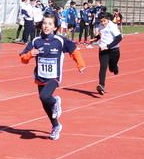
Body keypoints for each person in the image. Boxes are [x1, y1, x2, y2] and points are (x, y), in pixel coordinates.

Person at [20, 12, 86, 140]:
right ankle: (56, 125)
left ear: (55, 27)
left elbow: (74, 51)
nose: (46, 26)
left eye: (50, 24)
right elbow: (23, 59)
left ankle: (56, 101)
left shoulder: (60, 41)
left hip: (54, 77)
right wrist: (29, 54)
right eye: (44, 23)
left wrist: (80, 64)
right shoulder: (35, 41)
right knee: (44, 103)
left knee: (45, 96)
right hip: (40, 77)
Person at [93, 11, 122, 95]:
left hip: (113, 50)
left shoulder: (112, 26)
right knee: (103, 67)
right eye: (101, 21)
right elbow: (101, 34)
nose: (103, 23)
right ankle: (101, 85)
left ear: (108, 19)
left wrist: (109, 46)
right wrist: (96, 38)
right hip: (103, 49)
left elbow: (119, 38)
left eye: (104, 21)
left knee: (112, 69)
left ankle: (115, 66)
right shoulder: (100, 26)